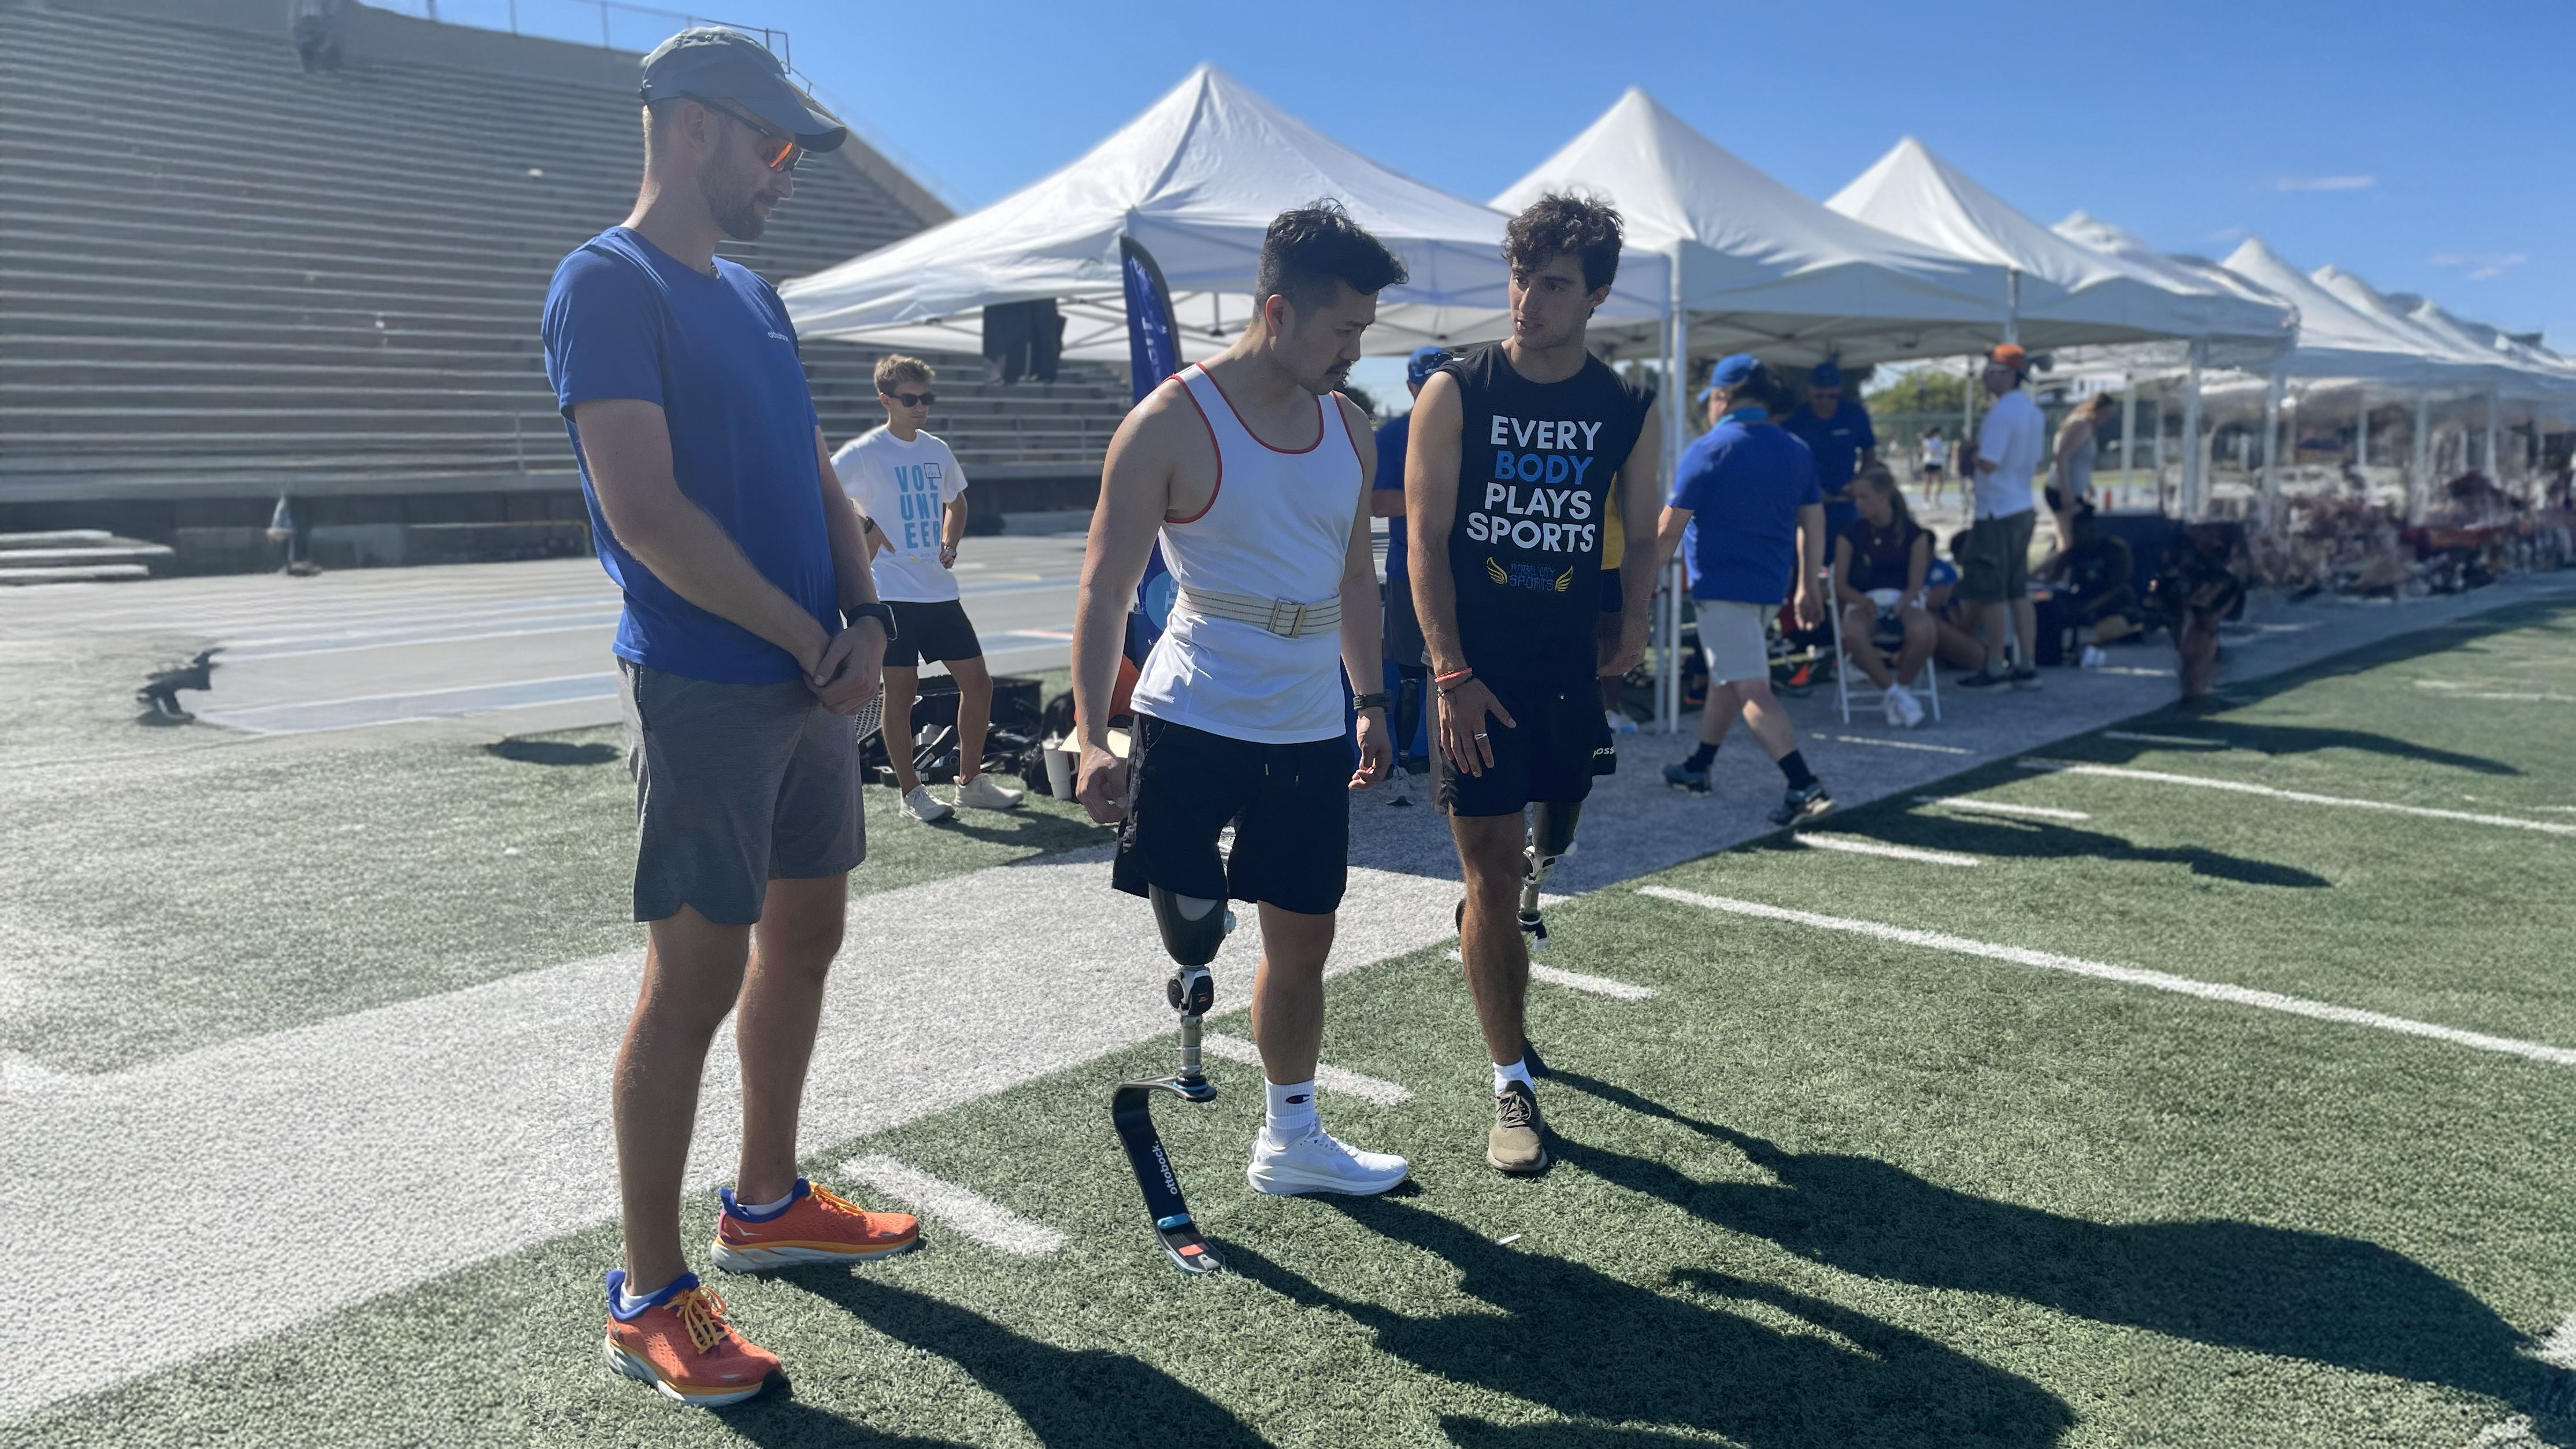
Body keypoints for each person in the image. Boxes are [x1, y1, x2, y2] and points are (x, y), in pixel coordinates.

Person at [544, 27, 918, 1409]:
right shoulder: (605, 283)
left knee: (806, 939)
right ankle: (645, 1294)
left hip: (811, 668)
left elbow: (817, 472)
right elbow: (644, 515)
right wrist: (811, 635)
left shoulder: (757, 299)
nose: (787, 172)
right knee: (693, 980)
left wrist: (866, 619)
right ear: (691, 127)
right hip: (706, 685)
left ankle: (763, 1201)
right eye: (771, 146)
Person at [1071, 203, 1407, 1198]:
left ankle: (1289, 1138)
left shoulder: (1351, 425)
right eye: (1343, 328)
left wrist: (1373, 699)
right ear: (1277, 310)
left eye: (1363, 330)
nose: (1356, 350)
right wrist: (1091, 735)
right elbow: (1102, 588)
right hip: (1194, 711)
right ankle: (1190, 972)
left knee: (1306, 932)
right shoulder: (1169, 423)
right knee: (1195, 922)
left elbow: (1356, 579)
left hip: (1307, 722)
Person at [1406, 192, 1660, 1175]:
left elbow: (1639, 533)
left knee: (1552, 834)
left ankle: (1490, 918)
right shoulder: (1453, 390)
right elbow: (1421, 542)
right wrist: (1447, 669)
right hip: (1476, 664)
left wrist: (1632, 623)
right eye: (1520, 277)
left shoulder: (1626, 407)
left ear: (1595, 294)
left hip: (1570, 664)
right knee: (1494, 869)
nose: (1528, 299)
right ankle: (1510, 1079)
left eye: (1554, 284)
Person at [832, 354, 1025, 822]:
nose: (921, 407)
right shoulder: (864, 453)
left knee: (978, 685)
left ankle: (970, 781)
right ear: (886, 400)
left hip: (939, 591)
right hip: (892, 593)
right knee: (901, 693)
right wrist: (868, 524)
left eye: (926, 398)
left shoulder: (936, 449)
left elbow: (956, 502)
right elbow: (824, 495)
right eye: (910, 399)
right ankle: (911, 793)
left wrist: (949, 541)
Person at [1654, 355, 1830, 825]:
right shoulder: (1795, 447)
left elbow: (1668, 528)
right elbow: (1813, 519)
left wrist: (1635, 581)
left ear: (1721, 396)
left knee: (1748, 684)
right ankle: (1698, 765)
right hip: (1770, 587)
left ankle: (1802, 784)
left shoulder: (1710, 447)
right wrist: (1808, 584)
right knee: (1728, 678)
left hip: (1721, 586)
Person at [1371, 346, 1450, 772]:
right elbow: (1378, 503)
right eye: (1430, 384)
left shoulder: (1476, 425)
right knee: (1412, 668)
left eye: (1449, 382)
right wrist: (1435, 497)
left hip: (1470, 569)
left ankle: (1454, 751)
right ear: (1411, 387)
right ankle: (1412, 753)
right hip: (1412, 570)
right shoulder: (1392, 436)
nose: (1441, 392)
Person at [1958, 343, 2045, 690]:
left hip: (1996, 510)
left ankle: (1996, 664)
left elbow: (1989, 463)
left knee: (1991, 592)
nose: (1985, 379)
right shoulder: (2032, 412)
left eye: (1992, 372)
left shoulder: (2001, 415)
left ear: (2007, 374)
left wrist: (1970, 451)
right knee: (2018, 589)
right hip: (2021, 504)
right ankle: (2027, 662)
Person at [1830, 464, 1934, 726]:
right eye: (1856, 498)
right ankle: (1894, 694)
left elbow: (1916, 584)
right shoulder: (1850, 534)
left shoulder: (1914, 534)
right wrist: (1863, 601)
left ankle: (1902, 689)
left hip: (1901, 599)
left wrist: (1902, 604)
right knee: (1853, 631)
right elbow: (1840, 585)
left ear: (1885, 495)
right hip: (1864, 601)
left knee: (1925, 630)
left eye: (1864, 497)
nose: (1859, 504)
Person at [1780, 359, 1878, 542]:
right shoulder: (1797, 418)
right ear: (1810, 391)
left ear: (1839, 391)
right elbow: (1784, 461)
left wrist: (1858, 483)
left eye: (1832, 396)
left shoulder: (1854, 414)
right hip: (1808, 502)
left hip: (1846, 500)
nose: (1825, 401)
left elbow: (1870, 455)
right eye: (1820, 396)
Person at [2055, 392, 2115, 512]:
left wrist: (2088, 485)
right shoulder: (2083, 427)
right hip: (2064, 491)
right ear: (2097, 410)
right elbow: (2063, 456)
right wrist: (2065, 492)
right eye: (2105, 413)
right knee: (2074, 529)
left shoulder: (2090, 429)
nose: (2107, 418)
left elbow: (2080, 461)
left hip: (2076, 491)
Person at [1919, 426, 1949, 506]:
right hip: (1932, 462)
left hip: (1933, 462)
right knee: (1930, 481)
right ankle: (1929, 499)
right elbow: (1932, 451)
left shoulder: (1927, 440)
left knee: (1933, 481)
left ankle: (1933, 499)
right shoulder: (1933, 440)